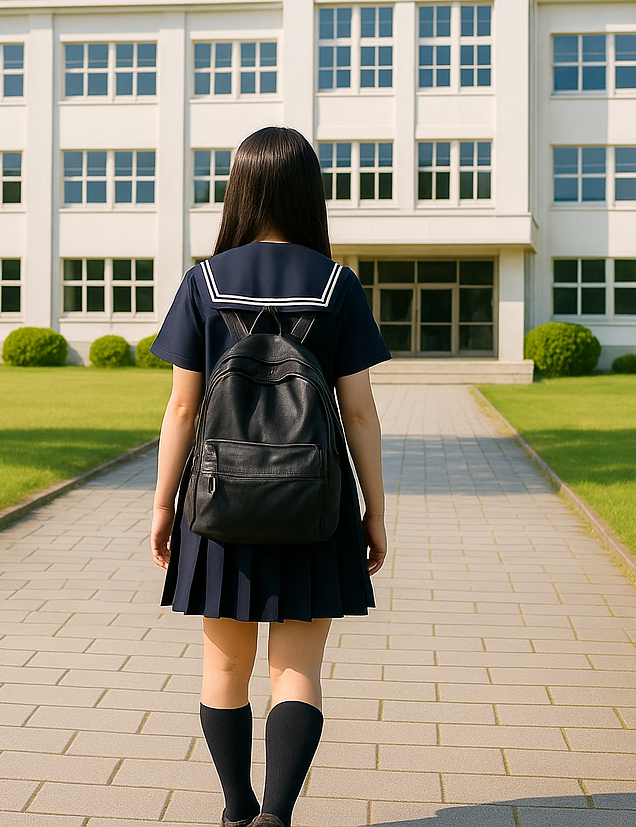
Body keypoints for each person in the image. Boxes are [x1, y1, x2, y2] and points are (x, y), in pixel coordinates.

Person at [149, 126, 391, 827]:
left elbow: (183, 407)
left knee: (224, 668)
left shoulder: (204, 281)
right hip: (315, 502)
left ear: (240, 189)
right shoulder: (338, 284)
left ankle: (236, 811)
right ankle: (276, 817)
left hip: (219, 502)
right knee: (299, 670)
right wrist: (375, 512)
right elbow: (360, 412)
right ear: (310, 193)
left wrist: (162, 505)